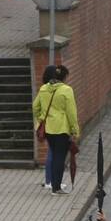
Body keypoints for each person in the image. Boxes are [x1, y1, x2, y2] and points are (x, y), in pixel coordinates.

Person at [32, 64, 79, 195]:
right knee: (59, 157)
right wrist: (75, 130)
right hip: (61, 129)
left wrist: (40, 118)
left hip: (48, 129)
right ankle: (56, 188)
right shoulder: (66, 90)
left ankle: (52, 184)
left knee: (54, 154)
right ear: (64, 77)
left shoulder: (44, 89)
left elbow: (35, 107)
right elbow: (71, 112)